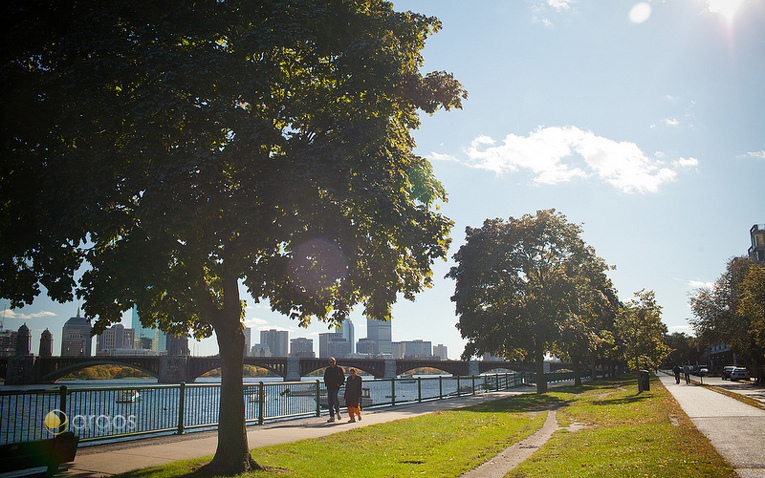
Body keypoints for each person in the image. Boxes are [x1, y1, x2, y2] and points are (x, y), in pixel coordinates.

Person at [323, 357, 345, 422]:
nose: (331, 363)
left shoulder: (339, 369)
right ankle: (332, 417)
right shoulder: (328, 370)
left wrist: (339, 384)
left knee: (335, 399)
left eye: (332, 362)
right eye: (330, 362)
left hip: (336, 387)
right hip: (329, 387)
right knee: (330, 402)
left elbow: (342, 378)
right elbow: (325, 378)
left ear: (335, 362)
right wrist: (326, 384)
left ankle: (338, 412)